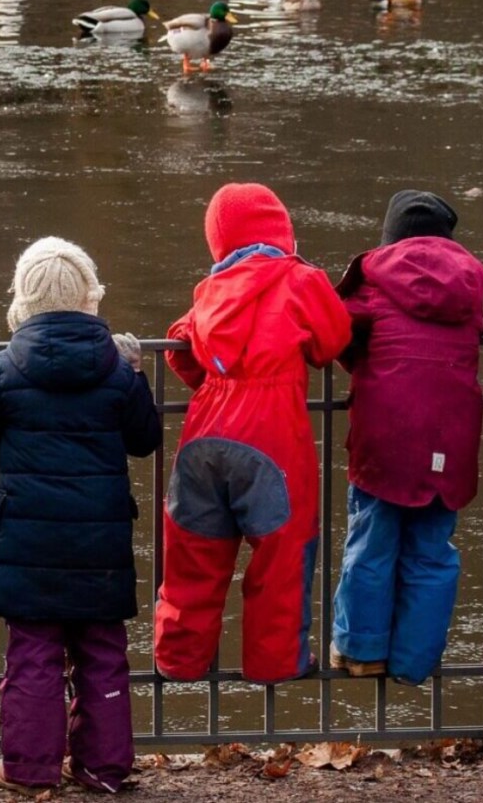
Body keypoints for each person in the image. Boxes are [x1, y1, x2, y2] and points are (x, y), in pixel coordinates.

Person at [0, 237, 162, 794]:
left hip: (27, 542)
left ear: (22, 300)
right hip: (100, 544)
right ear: (90, 297)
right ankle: (103, 769)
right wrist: (135, 373)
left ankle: (30, 770)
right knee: (103, 654)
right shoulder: (114, 369)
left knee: (33, 656)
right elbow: (144, 440)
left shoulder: (5, 367)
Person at [154, 182, 352, 685]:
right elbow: (333, 339)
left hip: (204, 431)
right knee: (281, 554)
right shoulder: (300, 280)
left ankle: (178, 659)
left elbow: (178, 344)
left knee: (192, 553)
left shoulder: (210, 289)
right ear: (281, 230)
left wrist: (213, 382)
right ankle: (275, 664)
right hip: (271, 431)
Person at [328, 190, 483, 685]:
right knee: (433, 551)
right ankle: (415, 663)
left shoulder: (375, 279)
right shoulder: (469, 284)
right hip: (451, 439)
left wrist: (364, 365)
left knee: (372, 543)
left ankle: (362, 652)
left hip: (386, 435)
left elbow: (337, 331)